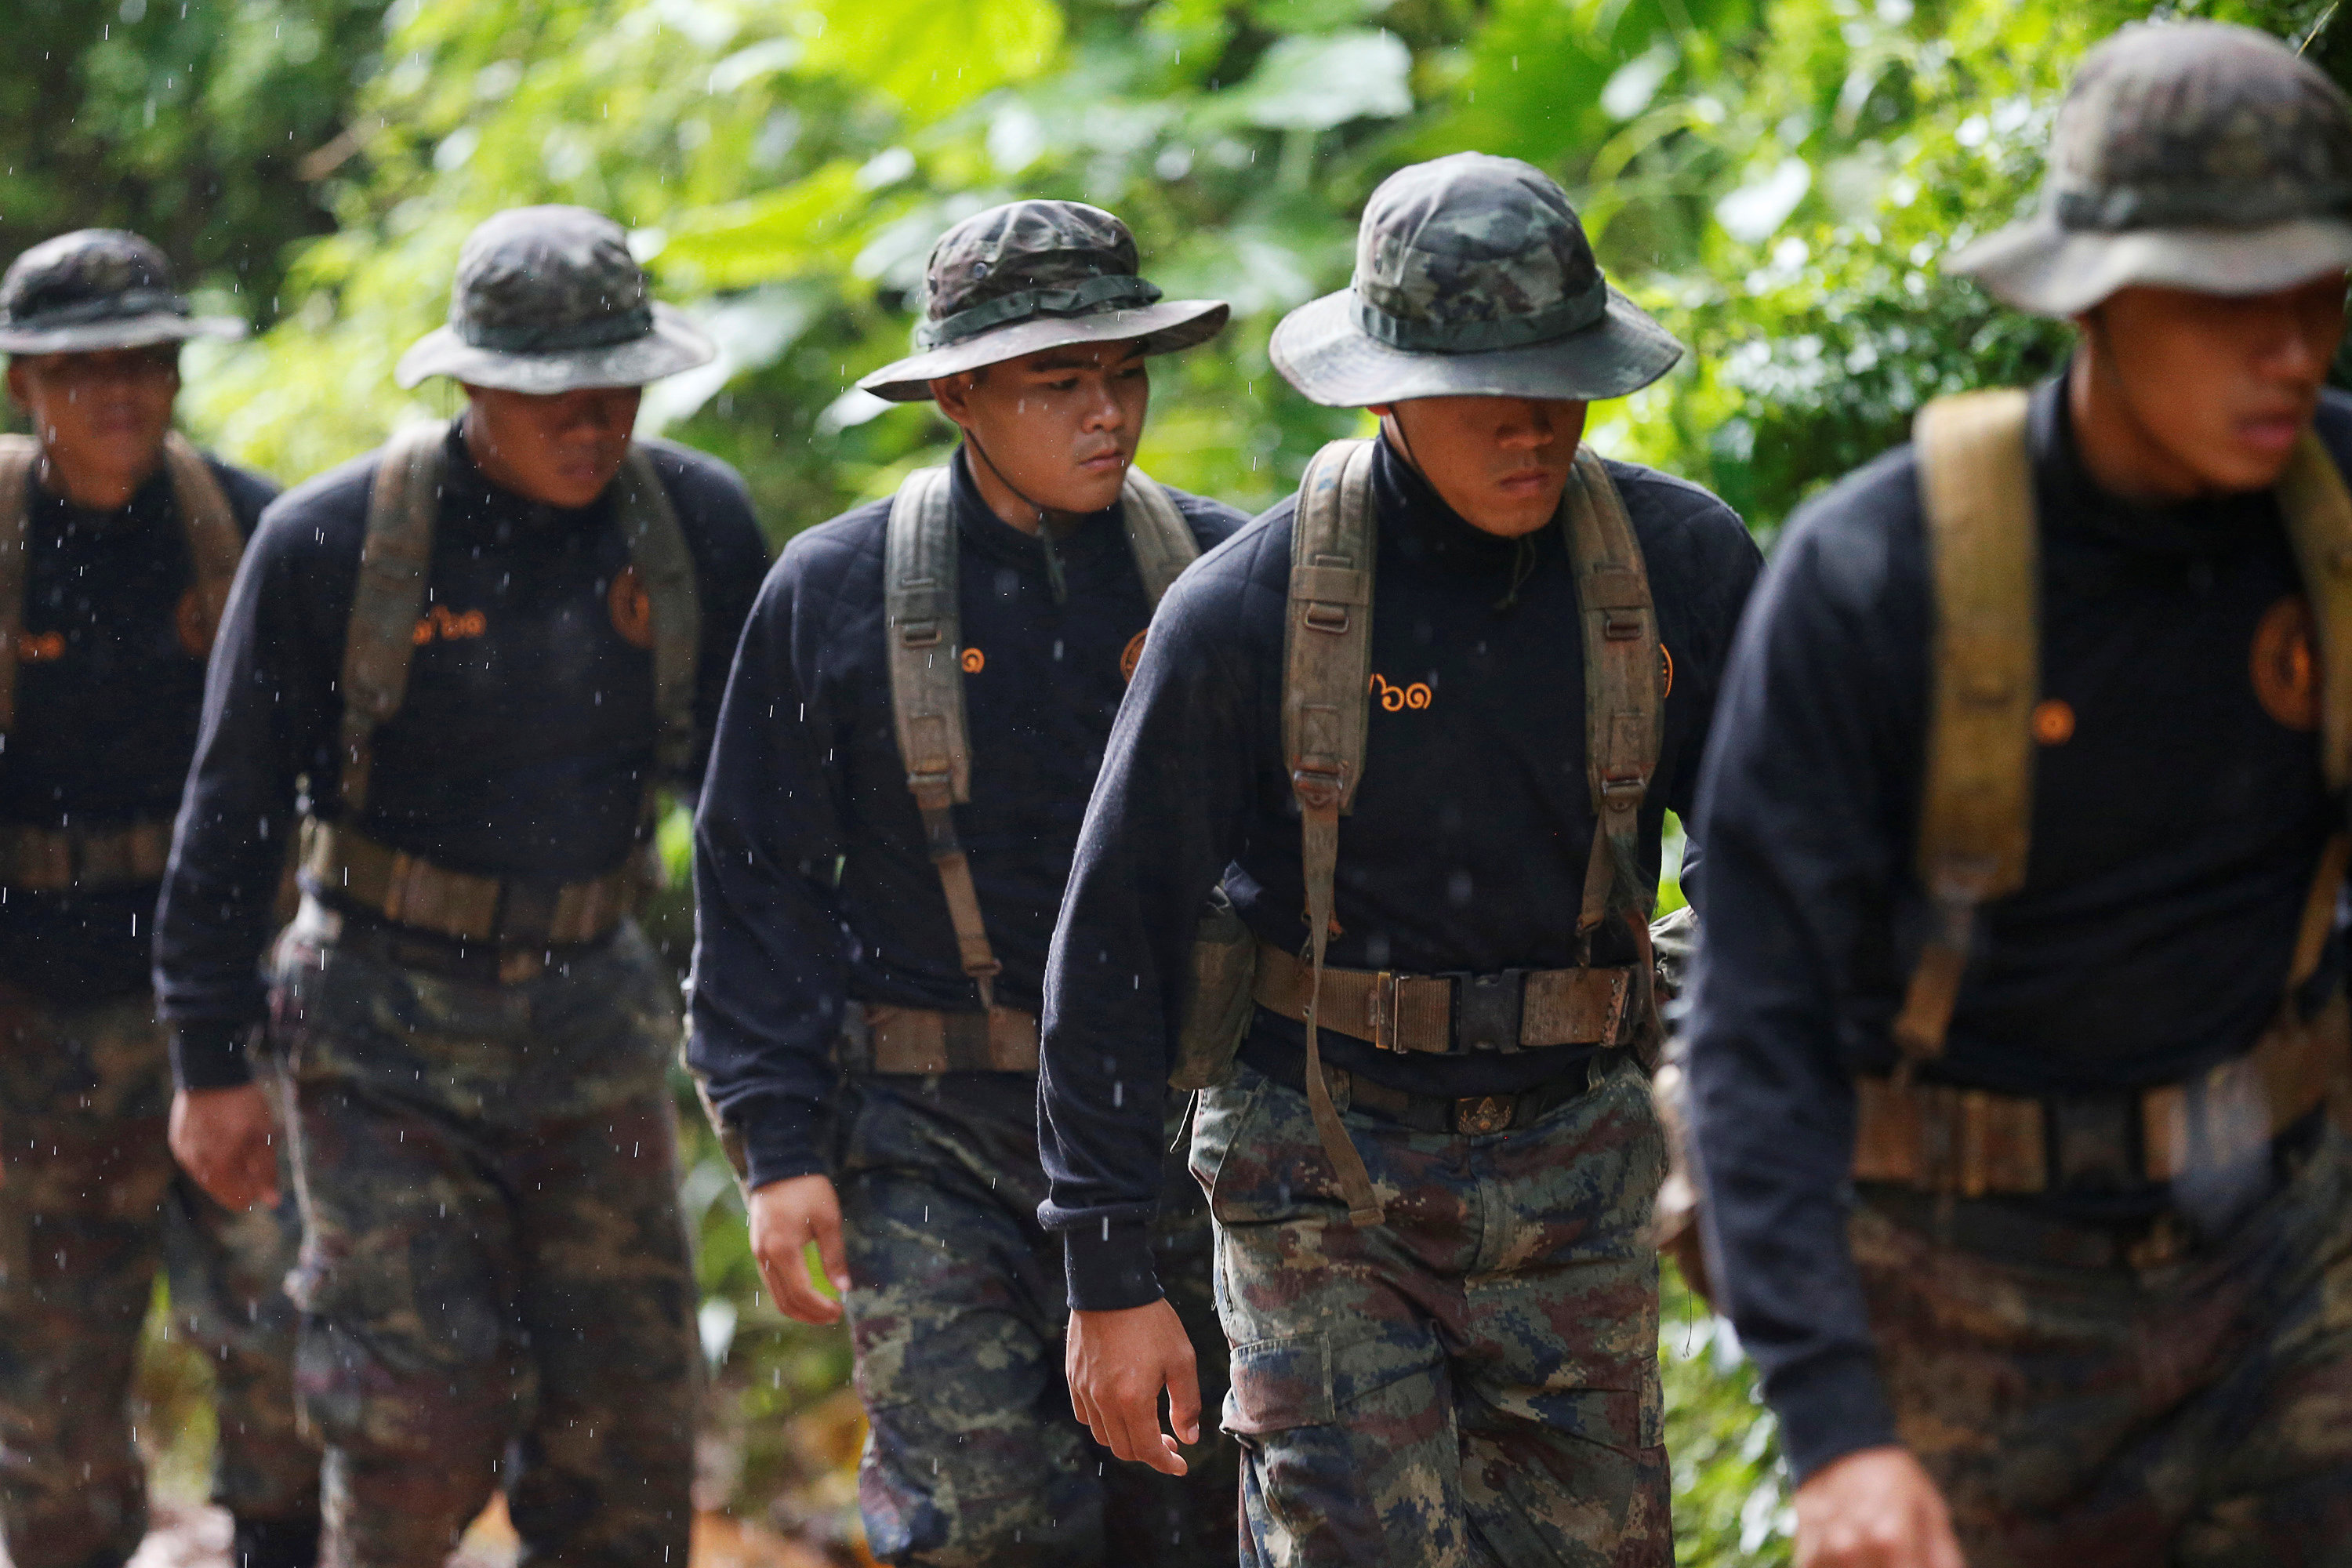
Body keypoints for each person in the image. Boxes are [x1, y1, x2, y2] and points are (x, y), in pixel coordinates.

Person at [1684, 22, 2352, 1567]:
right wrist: (1839, 1426)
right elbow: (1756, 1021)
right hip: (1975, 1290)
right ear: (2096, 299)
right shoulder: (1882, 574)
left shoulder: (2335, 524)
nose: (2293, 350)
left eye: (2318, 294)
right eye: (2231, 302)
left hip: (2288, 1257)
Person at [1036, 153, 1761, 1566]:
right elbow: (1115, 936)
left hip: (1578, 1169)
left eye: (1560, 387)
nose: (1532, 433)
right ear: (1383, 390)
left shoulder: (1679, 565)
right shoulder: (1250, 611)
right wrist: (1105, 1271)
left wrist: (1739, 1115)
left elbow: (1777, 880)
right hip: (1323, 1171)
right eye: (1486, 395)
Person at [154, 205, 768, 1566]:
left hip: (594, 1013)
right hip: (377, 1020)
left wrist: (784, 1053)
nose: (592, 417)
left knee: (627, 1433)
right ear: (473, 381)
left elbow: (761, 819)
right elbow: (230, 814)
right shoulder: (332, 546)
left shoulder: (694, 527)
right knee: (412, 1422)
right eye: (553, 389)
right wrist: (208, 1061)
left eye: (617, 382)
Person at [688, 198, 1247, 1566]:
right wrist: (777, 1147)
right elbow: (756, 878)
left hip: (1186, 1127)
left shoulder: (1228, 575)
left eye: (1125, 372)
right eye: (1058, 383)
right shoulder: (836, 591)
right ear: (958, 394)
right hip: (935, 1133)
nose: (1107, 412)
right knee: (985, 1524)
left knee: (1194, 1519)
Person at [0, 230, 318, 1568]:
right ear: (26, 383)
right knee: (54, 1364)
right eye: (83, 367)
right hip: (36, 1012)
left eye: (144, 360)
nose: (118, 391)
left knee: (279, 1323)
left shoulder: (246, 528)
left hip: (228, 998)